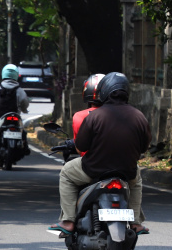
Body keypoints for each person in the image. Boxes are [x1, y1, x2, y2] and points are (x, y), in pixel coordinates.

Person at [51, 72, 150, 234]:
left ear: (103, 92)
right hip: (127, 171)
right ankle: (136, 222)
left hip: (94, 169)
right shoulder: (139, 117)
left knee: (66, 173)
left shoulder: (95, 116)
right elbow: (144, 147)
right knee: (137, 181)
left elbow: (81, 146)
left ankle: (68, 221)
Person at [0, 63, 30, 152]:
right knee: (22, 132)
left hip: (0, 116)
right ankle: (24, 144)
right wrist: (24, 110)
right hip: (15, 116)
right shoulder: (20, 90)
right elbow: (25, 103)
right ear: (16, 75)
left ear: (3, 74)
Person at [71, 73, 105, 155]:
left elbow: (80, 149)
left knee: (67, 168)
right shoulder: (120, 114)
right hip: (118, 163)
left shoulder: (79, 116)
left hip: (90, 164)